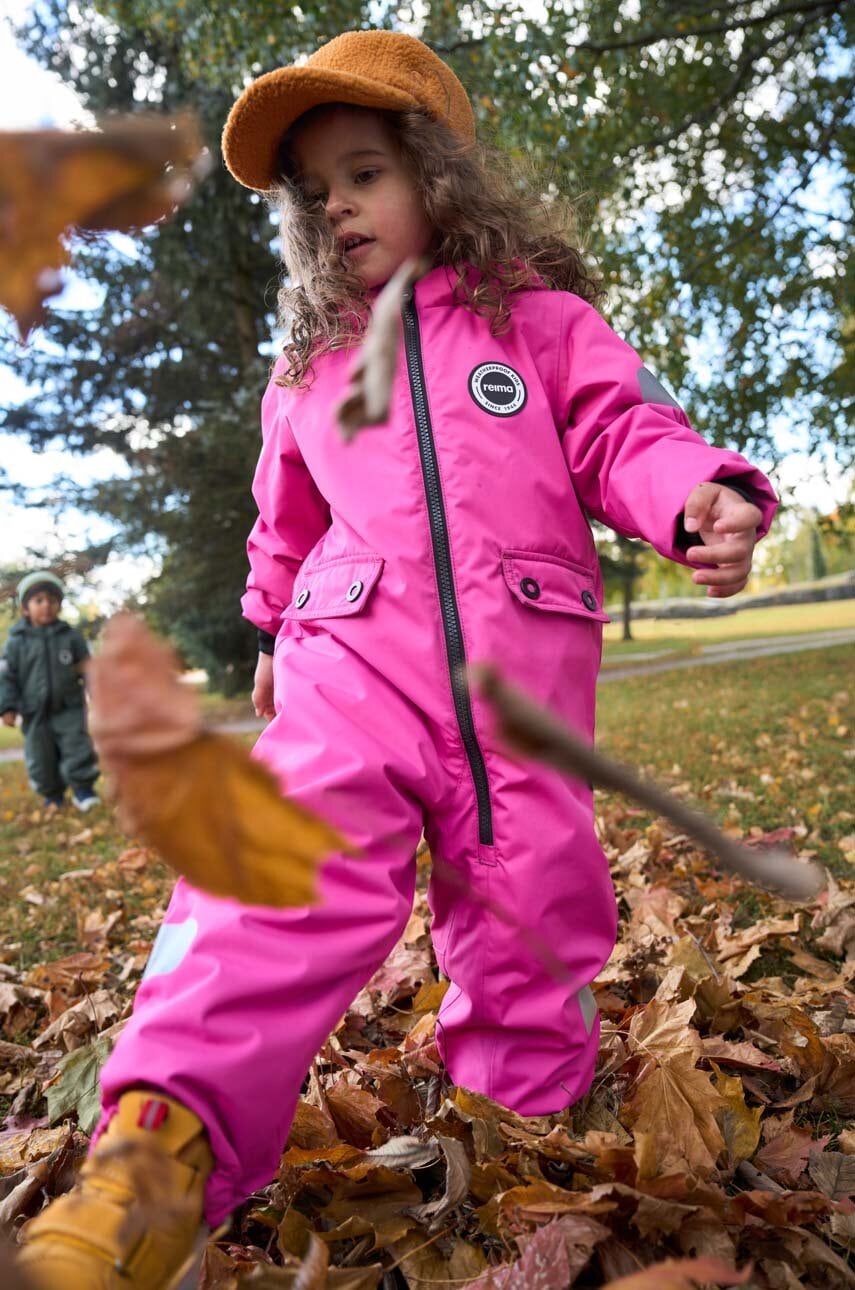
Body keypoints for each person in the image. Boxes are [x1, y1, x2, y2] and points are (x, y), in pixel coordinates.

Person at [18, 30, 778, 1288]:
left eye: (363, 172)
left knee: (536, 918)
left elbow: (622, 430)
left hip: (521, 695)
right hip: (349, 664)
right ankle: (157, 1152)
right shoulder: (311, 369)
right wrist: (268, 629)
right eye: (314, 193)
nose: (335, 206)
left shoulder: (537, 324)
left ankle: (520, 1134)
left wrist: (695, 491)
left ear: (439, 176)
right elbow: (284, 518)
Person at [0, 571, 99, 812]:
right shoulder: (16, 641)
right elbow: (6, 677)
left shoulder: (70, 637)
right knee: (40, 758)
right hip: (33, 712)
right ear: (25, 608)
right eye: (39, 600)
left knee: (77, 749)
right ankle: (52, 796)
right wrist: (7, 707)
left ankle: (83, 790)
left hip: (69, 707)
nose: (46, 605)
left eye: (52, 601)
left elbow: (88, 669)